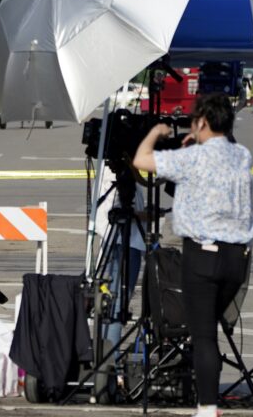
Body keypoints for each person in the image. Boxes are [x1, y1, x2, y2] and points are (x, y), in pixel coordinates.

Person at [133, 93, 253, 417]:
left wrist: (157, 134)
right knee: (209, 330)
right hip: (236, 260)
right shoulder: (242, 155)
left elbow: (141, 160)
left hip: (202, 255)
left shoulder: (192, 159)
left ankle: (207, 408)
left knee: (202, 336)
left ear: (201, 121)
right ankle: (208, 403)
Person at [95, 160, 145, 374]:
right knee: (116, 303)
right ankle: (109, 363)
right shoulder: (117, 170)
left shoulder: (113, 165)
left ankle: (105, 359)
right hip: (123, 240)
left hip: (114, 238)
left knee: (111, 300)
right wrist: (147, 214)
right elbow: (120, 210)